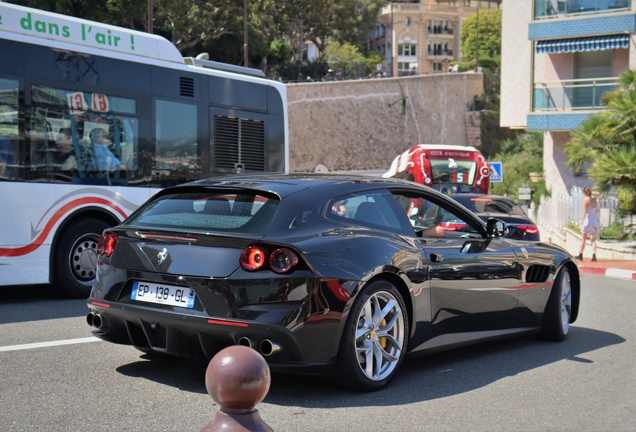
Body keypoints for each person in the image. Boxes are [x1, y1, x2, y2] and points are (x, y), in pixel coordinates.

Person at [576, 187, 599, 262]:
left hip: (588, 219)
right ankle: (594, 256)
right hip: (594, 219)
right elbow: (597, 210)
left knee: (583, 238)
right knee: (593, 239)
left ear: (584, 193)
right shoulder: (594, 200)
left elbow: (584, 212)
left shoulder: (585, 201)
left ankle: (580, 254)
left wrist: (581, 223)